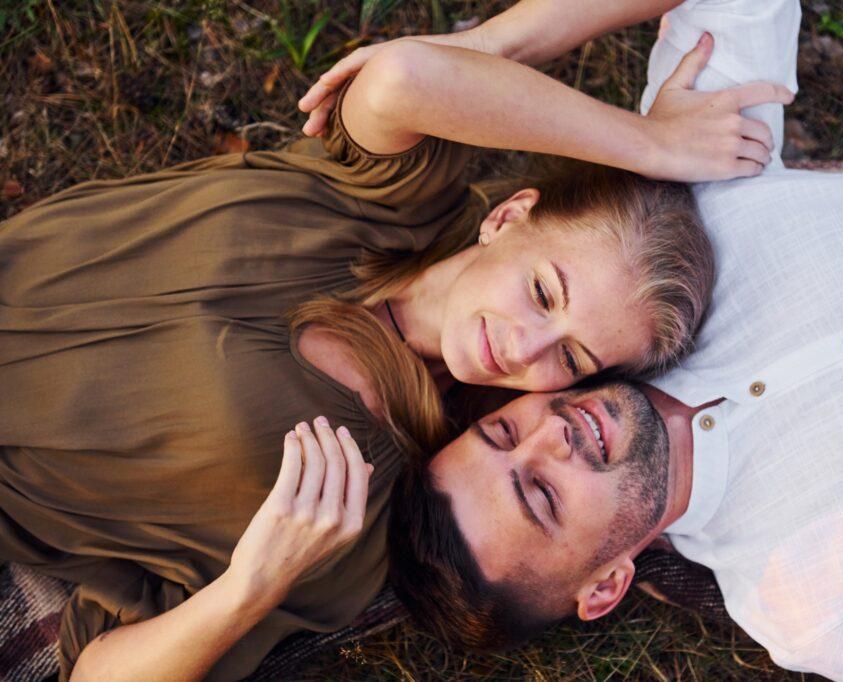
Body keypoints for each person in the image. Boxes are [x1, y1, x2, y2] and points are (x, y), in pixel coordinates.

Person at [0, 1, 796, 679]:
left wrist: (249, 586)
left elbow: (98, 670)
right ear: (508, 216)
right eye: (543, 291)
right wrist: (648, 144)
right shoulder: (384, 200)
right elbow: (405, 79)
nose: (522, 348)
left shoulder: (356, 504)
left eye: (572, 358)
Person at [385, 2, 843, 679]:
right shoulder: (835, 614)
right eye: (543, 494)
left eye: (505, 434)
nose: (554, 436)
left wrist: (508, 59)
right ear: (605, 585)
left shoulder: (671, 247)